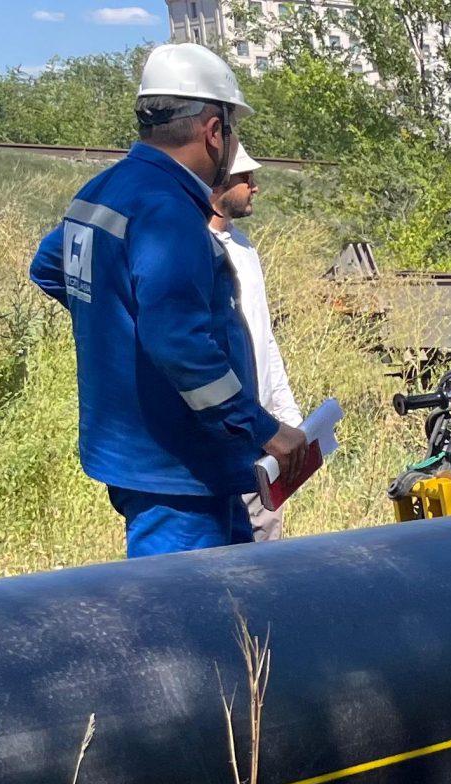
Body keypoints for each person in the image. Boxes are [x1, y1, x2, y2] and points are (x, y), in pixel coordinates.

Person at [31, 43, 313, 557]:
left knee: (232, 612)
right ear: (213, 130)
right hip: (178, 469)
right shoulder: (171, 214)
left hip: (160, 457)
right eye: (233, 131)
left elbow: (51, 266)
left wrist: (116, 318)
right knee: (184, 623)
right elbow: (180, 344)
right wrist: (264, 430)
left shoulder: (104, 189)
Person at [207, 144, 300, 541]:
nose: (254, 187)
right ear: (219, 184)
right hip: (224, 433)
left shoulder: (245, 247)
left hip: (262, 431)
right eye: (246, 179)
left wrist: (288, 416)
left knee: (266, 550)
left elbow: (264, 338)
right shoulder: (194, 248)